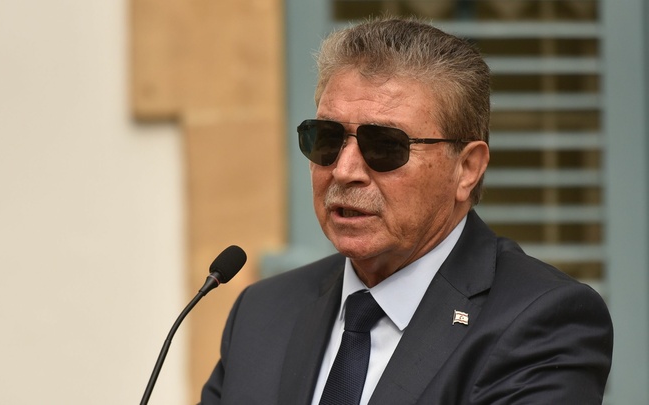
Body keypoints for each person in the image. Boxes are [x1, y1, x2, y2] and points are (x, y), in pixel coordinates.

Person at [200, 16, 613, 404]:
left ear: (467, 169)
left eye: (384, 146)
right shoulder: (263, 311)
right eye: (326, 138)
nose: (344, 170)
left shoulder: (542, 319)